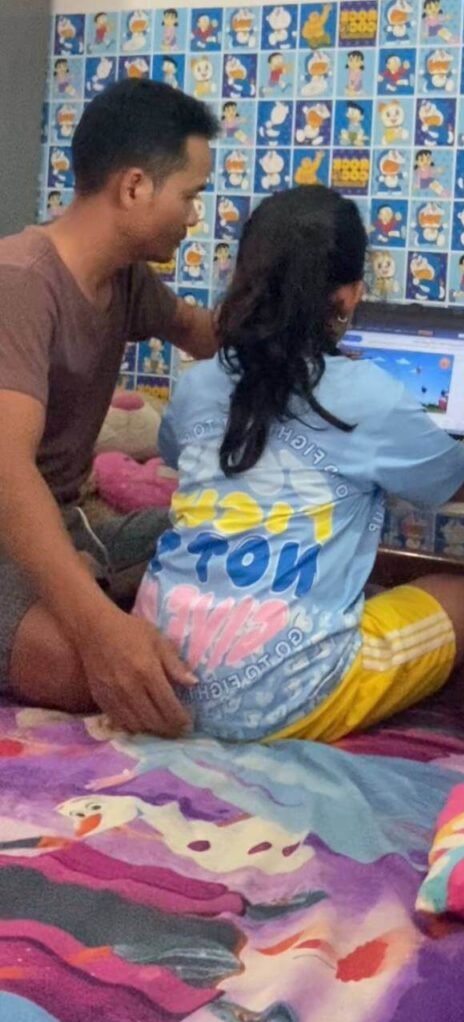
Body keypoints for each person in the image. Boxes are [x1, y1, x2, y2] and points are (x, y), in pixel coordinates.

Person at [134, 185, 464, 744]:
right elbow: (461, 481)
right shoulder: (368, 393)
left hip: (155, 679)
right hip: (283, 697)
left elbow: (178, 453)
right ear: (347, 298)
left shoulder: (199, 383)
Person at [0, 79, 220, 739]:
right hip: (8, 527)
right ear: (133, 187)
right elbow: (7, 474)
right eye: (190, 197)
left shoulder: (125, 280)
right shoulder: (20, 282)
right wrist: (101, 631)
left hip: (67, 525)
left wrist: (299, 332)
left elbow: (200, 332)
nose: (192, 218)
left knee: (230, 541)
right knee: (88, 672)